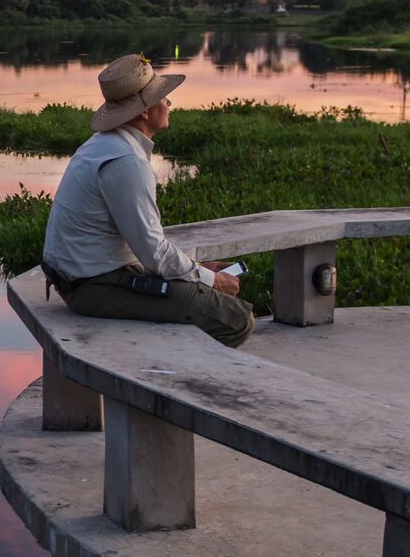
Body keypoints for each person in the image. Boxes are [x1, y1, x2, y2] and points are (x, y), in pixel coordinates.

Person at [39, 54, 253, 348]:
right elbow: (153, 251)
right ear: (143, 112)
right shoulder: (126, 161)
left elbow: (144, 247)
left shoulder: (103, 145)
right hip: (93, 286)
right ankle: (167, 386)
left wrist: (197, 269)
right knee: (235, 320)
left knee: (208, 300)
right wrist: (210, 280)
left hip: (84, 278)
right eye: (163, 98)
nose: (169, 104)